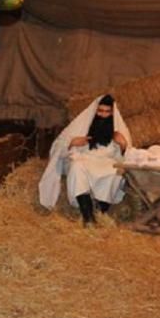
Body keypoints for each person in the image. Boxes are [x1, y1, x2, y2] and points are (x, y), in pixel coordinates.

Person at [39, 94, 132, 225]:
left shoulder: (120, 130)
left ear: (112, 113)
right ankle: (88, 216)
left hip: (108, 162)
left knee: (116, 173)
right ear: (95, 111)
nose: (103, 115)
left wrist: (123, 145)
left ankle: (101, 211)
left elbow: (129, 158)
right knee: (77, 167)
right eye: (100, 111)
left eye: (107, 112)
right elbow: (58, 146)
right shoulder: (81, 124)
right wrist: (72, 143)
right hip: (83, 159)